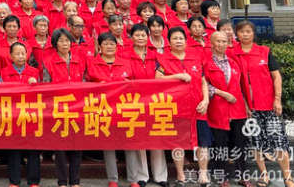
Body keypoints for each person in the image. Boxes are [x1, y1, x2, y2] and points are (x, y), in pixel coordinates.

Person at [230, 20, 294, 187]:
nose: (245, 34)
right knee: (255, 143)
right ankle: (264, 174)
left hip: (270, 105)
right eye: (241, 31)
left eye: (248, 31)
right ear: (236, 34)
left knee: (279, 141)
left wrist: (277, 98)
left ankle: (288, 177)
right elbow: (233, 83)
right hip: (249, 109)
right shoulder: (232, 54)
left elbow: (276, 76)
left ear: (253, 33)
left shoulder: (264, 51)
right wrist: (244, 104)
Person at [156, 27, 211, 187]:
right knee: (177, 143)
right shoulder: (163, 60)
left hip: (198, 107)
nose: (178, 41)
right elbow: (158, 78)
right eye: (175, 38)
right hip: (176, 108)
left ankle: (203, 174)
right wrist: (177, 76)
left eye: (181, 38)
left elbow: (203, 82)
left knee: (203, 143)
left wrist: (206, 100)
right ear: (169, 42)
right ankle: (180, 176)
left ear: (186, 42)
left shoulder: (195, 58)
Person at [122, 24, 168, 187]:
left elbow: (161, 73)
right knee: (139, 136)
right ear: (131, 37)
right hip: (134, 100)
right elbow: (125, 77)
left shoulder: (156, 55)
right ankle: (142, 175)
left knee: (156, 136)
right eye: (137, 35)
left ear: (147, 37)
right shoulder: (125, 55)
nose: (141, 38)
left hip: (154, 100)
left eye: (143, 35)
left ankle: (161, 176)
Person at [86, 32, 133, 187]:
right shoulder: (93, 64)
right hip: (104, 109)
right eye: (105, 44)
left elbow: (132, 83)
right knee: (109, 143)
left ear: (117, 46)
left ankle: (133, 179)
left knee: (129, 143)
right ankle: (113, 179)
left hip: (124, 108)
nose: (109, 46)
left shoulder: (125, 63)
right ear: (99, 47)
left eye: (112, 44)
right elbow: (88, 85)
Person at [204, 32, 248, 187]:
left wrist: (246, 104)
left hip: (237, 108)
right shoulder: (207, 63)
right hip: (218, 107)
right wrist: (222, 93)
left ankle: (243, 176)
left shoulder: (233, 63)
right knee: (220, 144)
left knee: (240, 143)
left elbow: (240, 85)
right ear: (212, 42)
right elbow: (204, 84)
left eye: (224, 41)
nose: (221, 44)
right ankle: (222, 178)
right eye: (218, 41)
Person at [42, 28, 85, 187]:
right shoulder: (48, 61)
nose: (65, 43)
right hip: (58, 109)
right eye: (61, 41)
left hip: (77, 108)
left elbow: (84, 82)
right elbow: (46, 85)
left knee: (77, 145)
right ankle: (62, 181)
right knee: (60, 148)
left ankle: (75, 181)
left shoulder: (79, 60)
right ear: (55, 44)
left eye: (67, 40)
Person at [1, 42, 41, 187]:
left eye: (23, 53)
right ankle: (14, 181)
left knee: (33, 147)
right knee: (14, 148)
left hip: (31, 114)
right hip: (12, 115)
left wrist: (36, 84)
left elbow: (43, 93)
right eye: (17, 54)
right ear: (11, 56)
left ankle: (33, 181)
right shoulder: (3, 72)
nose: (20, 56)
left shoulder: (34, 72)